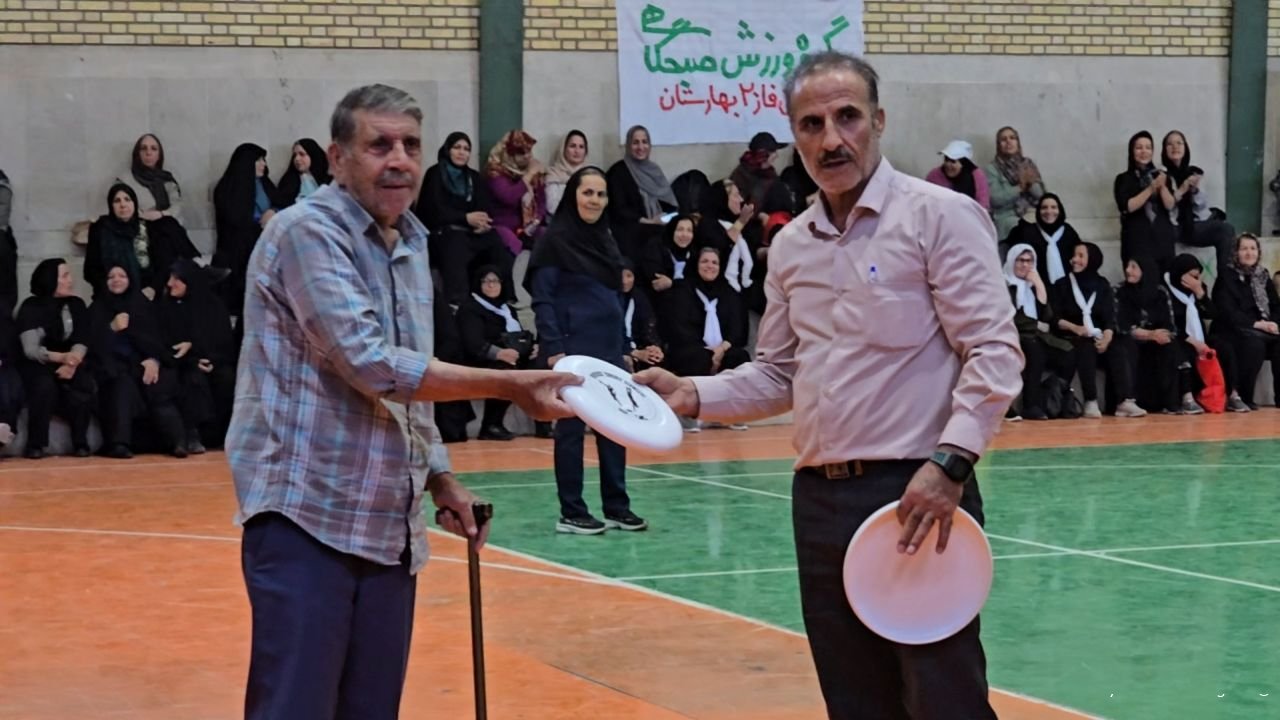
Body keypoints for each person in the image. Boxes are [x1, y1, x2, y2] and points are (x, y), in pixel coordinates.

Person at [637, 52, 1021, 719]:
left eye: (848, 117)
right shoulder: (791, 246)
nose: (831, 139)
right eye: (811, 124)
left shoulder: (940, 216)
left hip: (917, 489)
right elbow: (779, 373)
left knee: (945, 699)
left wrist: (951, 465)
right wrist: (692, 393)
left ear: (879, 120)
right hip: (818, 503)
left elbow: (994, 350)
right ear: (795, 135)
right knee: (855, 702)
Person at [227, 84, 580, 720]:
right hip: (306, 519)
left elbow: (412, 386)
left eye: (411, 145)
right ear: (337, 158)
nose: (399, 160)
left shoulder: (411, 242)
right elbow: (372, 364)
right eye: (379, 145)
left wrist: (440, 476)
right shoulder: (306, 232)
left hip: (388, 528)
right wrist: (509, 384)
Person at [528, 166, 647, 536]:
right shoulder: (554, 241)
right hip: (571, 351)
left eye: (601, 194)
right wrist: (554, 349)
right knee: (570, 431)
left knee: (614, 429)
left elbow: (614, 301)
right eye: (588, 193)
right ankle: (572, 511)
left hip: (608, 350)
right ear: (573, 196)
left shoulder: (607, 241)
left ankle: (617, 507)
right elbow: (542, 299)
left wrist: (624, 347)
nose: (595, 200)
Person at [985, 126, 1044, 241]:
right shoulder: (992, 169)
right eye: (1004, 139)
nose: (1008, 141)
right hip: (1007, 216)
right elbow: (995, 199)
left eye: (1012, 138)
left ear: (1018, 142)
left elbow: (1041, 196)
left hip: (1031, 211)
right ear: (999, 145)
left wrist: (1031, 183)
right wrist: (1020, 188)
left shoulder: (1027, 164)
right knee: (1024, 230)